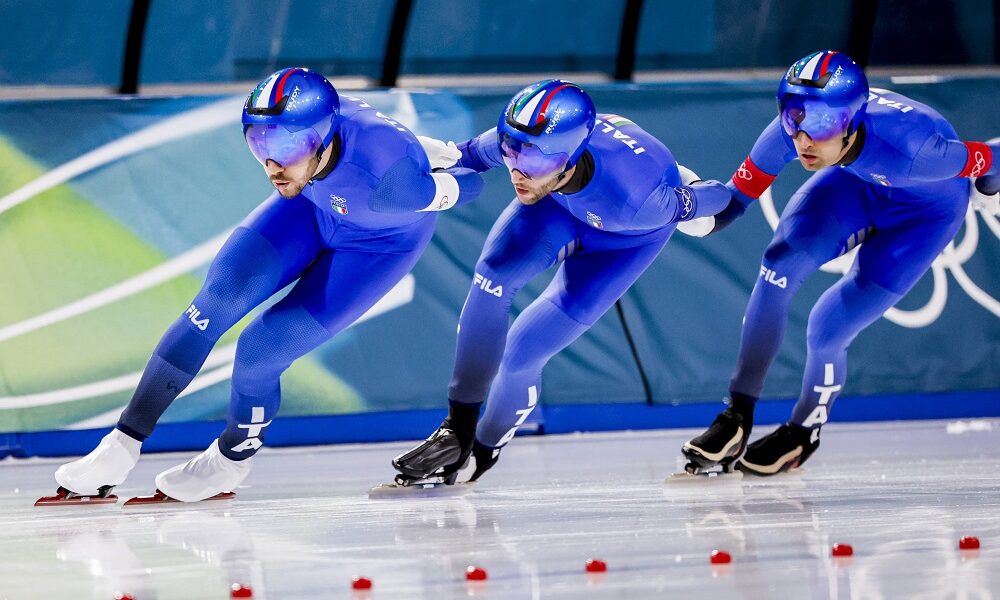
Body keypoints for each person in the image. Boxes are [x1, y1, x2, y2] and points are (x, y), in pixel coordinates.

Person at [41, 67, 484, 504]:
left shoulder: (389, 181)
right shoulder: (310, 140)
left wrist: (436, 176)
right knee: (213, 305)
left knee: (260, 352)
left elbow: (472, 182)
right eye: (259, 143)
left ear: (322, 139)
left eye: (286, 146)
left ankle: (230, 460)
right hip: (310, 211)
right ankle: (121, 444)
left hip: (375, 249)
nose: (272, 163)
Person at [388, 79, 732, 488]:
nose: (517, 170)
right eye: (511, 152)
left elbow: (720, 198)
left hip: (623, 239)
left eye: (531, 161)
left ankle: (484, 449)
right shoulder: (525, 141)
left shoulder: (638, 202)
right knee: (492, 279)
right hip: (559, 205)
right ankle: (457, 431)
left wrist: (694, 196)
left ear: (571, 158)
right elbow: (461, 155)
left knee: (521, 355)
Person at [679, 50, 1000, 477]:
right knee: (778, 267)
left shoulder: (917, 151)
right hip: (856, 183)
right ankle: (736, 415)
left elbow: (993, 159)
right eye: (794, 117)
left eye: (822, 124)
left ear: (850, 121)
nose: (804, 140)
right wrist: (689, 208)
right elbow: (732, 206)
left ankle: (803, 431)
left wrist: (988, 189)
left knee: (827, 328)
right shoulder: (788, 135)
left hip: (925, 217)